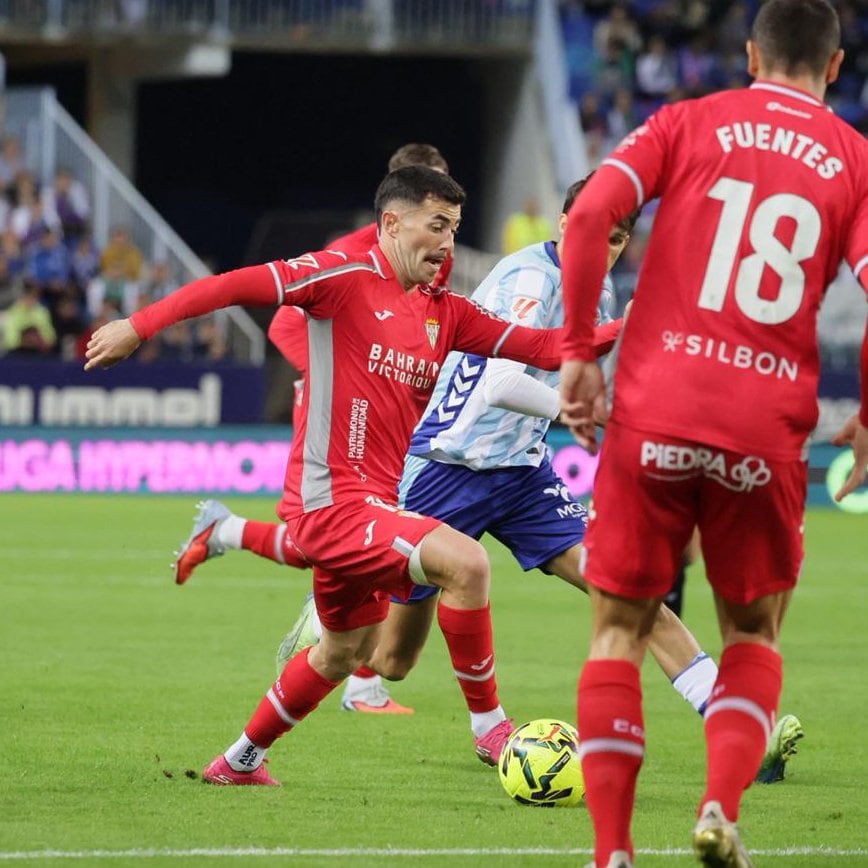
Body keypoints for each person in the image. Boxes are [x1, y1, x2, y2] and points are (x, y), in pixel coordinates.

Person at [173, 177, 803, 783]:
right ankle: (323, 613)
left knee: (632, 590)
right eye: (593, 232)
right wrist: (586, 410)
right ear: (565, 225)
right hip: (448, 468)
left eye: (617, 239)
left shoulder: (601, 295)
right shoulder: (532, 277)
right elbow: (496, 379)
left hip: (522, 475)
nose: (604, 248)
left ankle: (739, 727)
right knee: (389, 661)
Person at [84, 165, 566, 787]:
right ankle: (491, 729)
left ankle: (238, 761)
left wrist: (625, 333)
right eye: (437, 225)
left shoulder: (443, 314)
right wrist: (137, 326)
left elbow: (543, 348)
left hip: (369, 505)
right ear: (391, 223)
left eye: (454, 228)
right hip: (331, 504)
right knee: (468, 564)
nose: (448, 243)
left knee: (346, 653)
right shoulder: (339, 276)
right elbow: (233, 287)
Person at [558, 2, 868, 867]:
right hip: (762, 431)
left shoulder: (686, 119)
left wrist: (581, 353)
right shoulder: (855, 159)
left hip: (655, 409)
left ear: (749, 54)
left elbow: (588, 220)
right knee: (751, 637)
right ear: (836, 67)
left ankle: (612, 854)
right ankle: (719, 809)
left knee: (618, 630)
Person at [176, 143, 452, 715]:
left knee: (336, 538)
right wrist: (341, 373)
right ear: (395, 202)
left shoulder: (435, 258)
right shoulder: (350, 253)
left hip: (392, 411)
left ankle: (224, 531)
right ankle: (360, 680)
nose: (443, 219)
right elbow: (282, 320)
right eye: (430, 201)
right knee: (335, 532)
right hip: (335, 405)